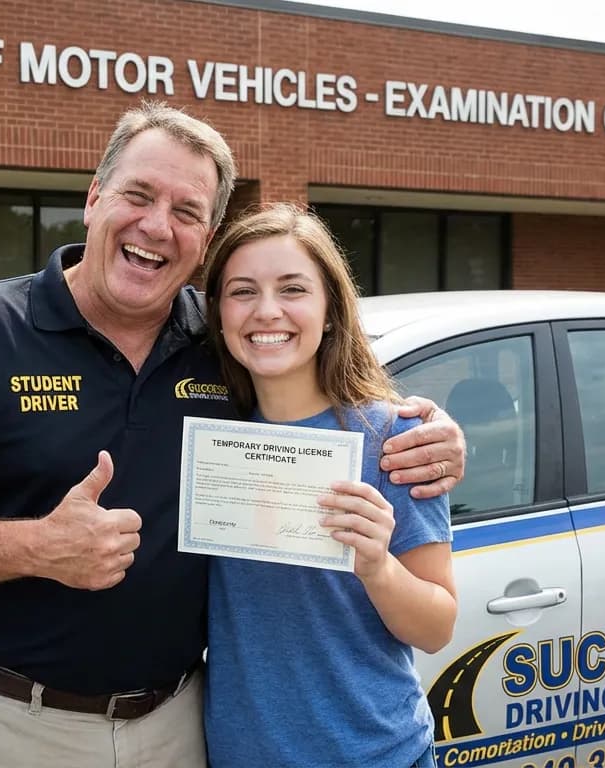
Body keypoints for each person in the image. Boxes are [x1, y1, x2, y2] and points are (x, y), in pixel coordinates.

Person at [0, 102, 465, 768]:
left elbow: (321, 376)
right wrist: (39, 547)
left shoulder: (219, 346)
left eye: (186, 211)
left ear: (204, 240)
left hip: (180, 730)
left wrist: (432, 428)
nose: (156, 226)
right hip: (15, 728)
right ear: (94, 200)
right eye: (138, 195)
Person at [200, 203, 457, 768]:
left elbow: (437, 627)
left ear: (330, 309)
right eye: (242, 291)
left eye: (293, 289)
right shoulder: (206, 440)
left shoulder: (398, 438)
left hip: (372, 753)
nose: (267, 312)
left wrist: (377, 567)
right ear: (217, 313)